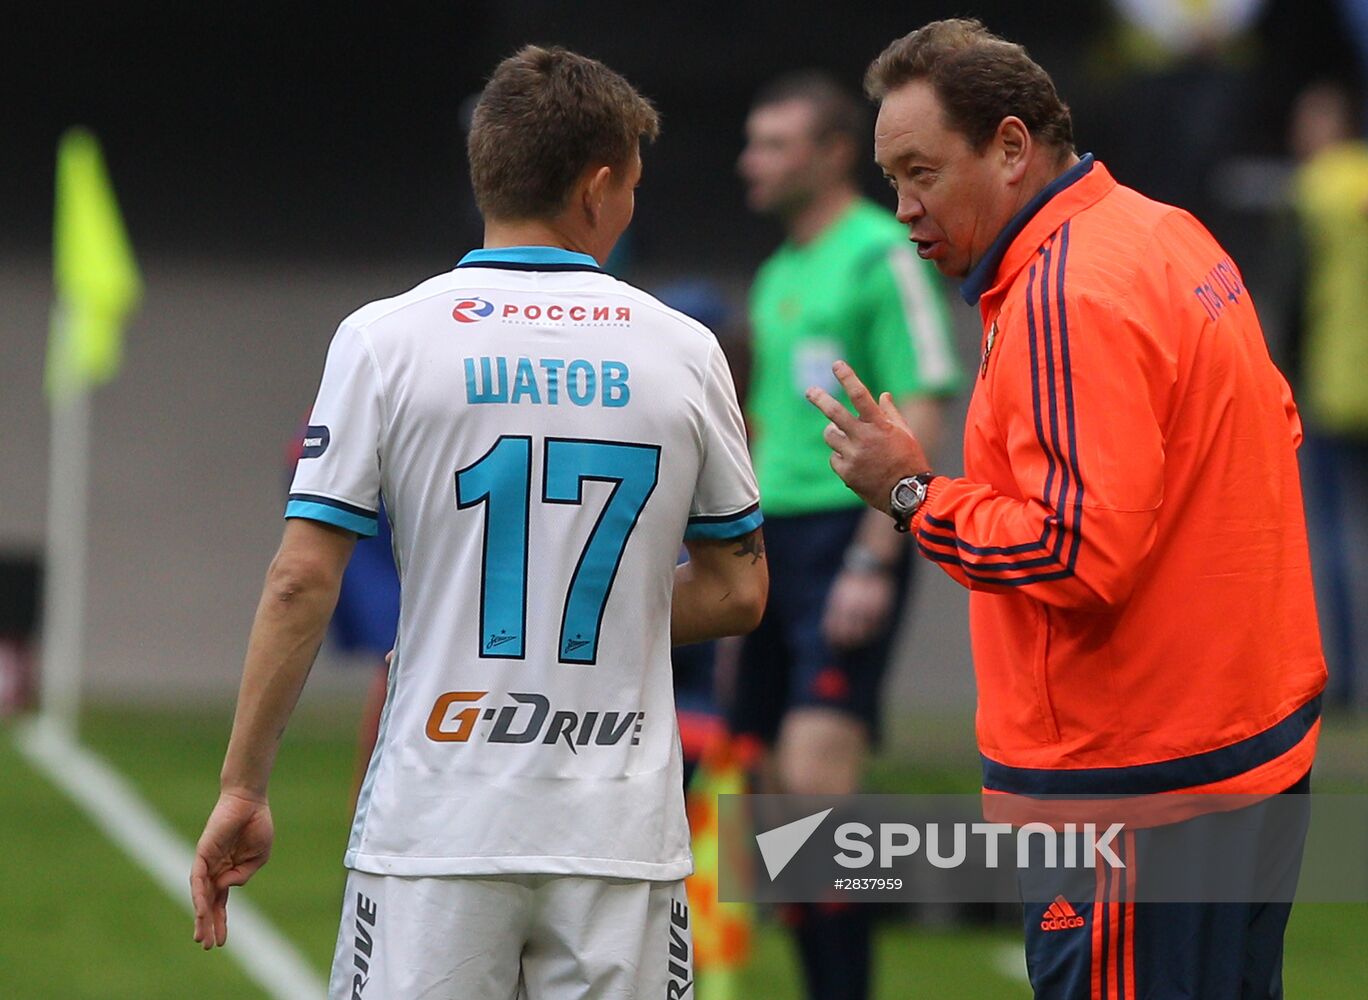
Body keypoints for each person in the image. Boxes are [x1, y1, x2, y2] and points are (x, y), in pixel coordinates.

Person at [190, 45, 768, 1000]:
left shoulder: (384, 338)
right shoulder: (689, 352)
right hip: (619, 839)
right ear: (596, 188)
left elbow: (300, 579)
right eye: (628, 186)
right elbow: (739, 589)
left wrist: (244, 789)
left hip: (438, 824)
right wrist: (597, 612)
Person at [806, 19, 1326, 1000]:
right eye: (891, 180)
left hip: (1135, 788)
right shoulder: (1166, 232)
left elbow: (1073, 554)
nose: (905, 208)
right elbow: (1273, 431)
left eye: (921, 172)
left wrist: (911, 492)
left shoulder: (1060, 291)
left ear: (1010, 148)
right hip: (1247, 755)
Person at [732, 70, 962, 1000]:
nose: (751, 162)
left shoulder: (881, 254)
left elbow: (929, 395)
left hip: (845, 537)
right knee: (772, 804)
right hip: (768, 541)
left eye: (773, 143)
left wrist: (880, 550)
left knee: (818, 786)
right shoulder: (782, 268)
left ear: (831, 155)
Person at [1288, 79, 1368, 711]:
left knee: (1335, 537)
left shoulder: (1316, 192)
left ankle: (1345, 680)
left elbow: (1293, 293)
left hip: (1334, 384)